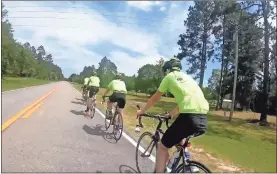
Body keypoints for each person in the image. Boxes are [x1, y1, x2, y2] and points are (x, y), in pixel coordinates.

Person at [137, 57, 209, 173]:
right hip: (202, 117)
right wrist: (170, 114)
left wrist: (142, 111)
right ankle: (188, 164)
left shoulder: (169, 77)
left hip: (189, 116)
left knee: (162, 147)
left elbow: (155, 98)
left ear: (167, 70)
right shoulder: (188, 78)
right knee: (180, 137)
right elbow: (184, 103)